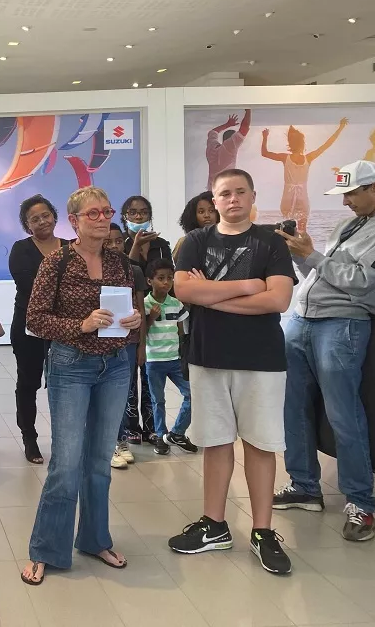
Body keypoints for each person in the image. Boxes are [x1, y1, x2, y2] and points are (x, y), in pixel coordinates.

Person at [275, 160, 375, 542]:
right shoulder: (347, 225)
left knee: (344, 415)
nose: (346, 202)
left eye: (351, 193)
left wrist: (313, 256)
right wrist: (299, 254)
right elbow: (321, 275)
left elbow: (361, 281)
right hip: (303, 319)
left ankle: (360, 503)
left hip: (343, 325)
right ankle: (304, 485)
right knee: (295, 408)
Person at [168, 168, 295, 576]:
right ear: (215, 200)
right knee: (215, 442)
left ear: (253, 196)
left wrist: (211, 296)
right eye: (225, 193)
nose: (233, 199)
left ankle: (263, 531)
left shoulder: (271, 242)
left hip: (261, 359)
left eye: (241, 191)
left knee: (260, 443)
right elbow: (184, 290)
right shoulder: (196, 241)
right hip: (209, 356)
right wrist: (248, 286)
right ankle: (215, 524)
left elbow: (278, 300)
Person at [19, 187, 143, 586]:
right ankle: (46, 549)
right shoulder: (56, 262)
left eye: (106, 211)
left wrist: (134, 320)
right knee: (67, 462)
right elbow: (35, 319)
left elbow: (130, 310)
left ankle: (94, 539)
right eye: (93, 213)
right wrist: (81, 325)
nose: (103, 218)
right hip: (71, 366)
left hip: (115, 365)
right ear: (74, 221)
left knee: (100, 460)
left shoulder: (120, 262)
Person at [8, 195, 69, 464]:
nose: (42, 221)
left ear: (54, 216)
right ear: (27, 225)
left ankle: (65, 438)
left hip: (64, 329)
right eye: (35, 219)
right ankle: (29, 438)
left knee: (64, 384)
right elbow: (30, 286)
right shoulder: (20, 249)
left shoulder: (71, 248)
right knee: (28, 382)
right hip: (28, 327)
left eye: (46, 215)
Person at [121, 195, 169, 444]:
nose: (138, 216)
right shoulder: (118, 242)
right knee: (130, 375)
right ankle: (131, 427)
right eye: (133, 212)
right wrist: (135, 246)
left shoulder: (161, 244)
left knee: (151, 374)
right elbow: (125, 275)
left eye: (143, 212)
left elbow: (168, 276)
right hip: (130, 316)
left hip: (157, 314)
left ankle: (152, 426)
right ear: (125, 216)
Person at [102, 224, 147, 469]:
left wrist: (141, 345)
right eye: (108, 242)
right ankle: (107, 443)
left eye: (118, 241)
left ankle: (120, 440)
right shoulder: (94, 269)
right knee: (105, 393)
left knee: (122, 393)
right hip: (102, 341)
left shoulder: (134, 270)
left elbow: (140, 307)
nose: (114, 246)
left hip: (128, 342)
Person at [143, 258, 195, 455]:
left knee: (192, 394)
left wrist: (183, 355)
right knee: (158, 400)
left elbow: (181, 331)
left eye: (170, 278)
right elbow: (141, 333)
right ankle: (160, 435)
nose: (166, 282)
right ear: (150, 281)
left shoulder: (176, 304)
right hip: (154, 361)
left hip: (175, 360)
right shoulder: (145, 304)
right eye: (161, 278)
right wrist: (151, 318)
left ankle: (177, 433)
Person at [261, 118, 348, 234]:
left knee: (287, 230)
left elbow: (264, 153)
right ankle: (302, 245)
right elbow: (327, 144)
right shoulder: (309, 158)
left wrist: (265, 137)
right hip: (302, 196)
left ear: (290, 143)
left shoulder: (285, 157)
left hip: (288, 196)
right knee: (302, 230)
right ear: (302, 143)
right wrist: (340, 128)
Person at [206, 110, 251, 189]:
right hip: (222, 190)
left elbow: (212, 132)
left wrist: (227, 124)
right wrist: (248, 110)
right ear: (232, 139)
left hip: (213, 189)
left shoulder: (212, 147)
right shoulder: (230, 148)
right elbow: (244, 128)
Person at [173, 191, 219, 256]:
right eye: (201, 212)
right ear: (193, 216)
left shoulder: (227, 239)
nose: (207, 215)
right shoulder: (185, 241)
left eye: (211, 211)